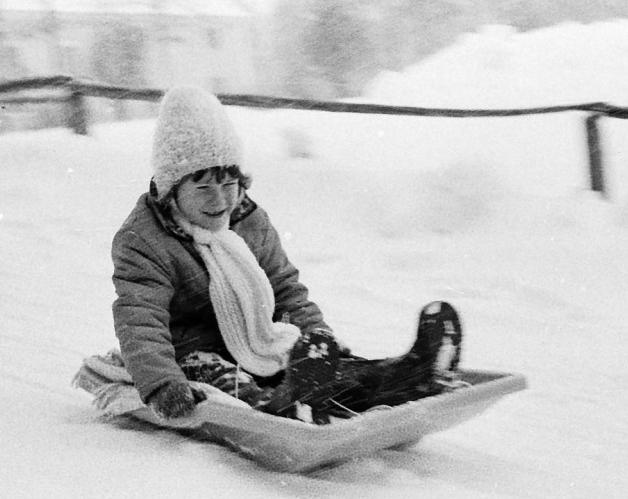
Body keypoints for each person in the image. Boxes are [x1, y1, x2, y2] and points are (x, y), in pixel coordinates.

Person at [111, 85, 464, 424]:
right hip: (189, 354)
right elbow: (141, 320)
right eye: (203, 187)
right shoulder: (143, 240)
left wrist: (317, 340)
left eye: (228, 184)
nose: (219, 200)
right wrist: (162, 383)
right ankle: (277, 408)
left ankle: (410, 373)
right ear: (171, 189)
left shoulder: (248, 221)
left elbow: (284, 290)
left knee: (314, 364)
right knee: (220, 378)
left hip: (259, 340)